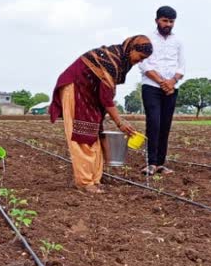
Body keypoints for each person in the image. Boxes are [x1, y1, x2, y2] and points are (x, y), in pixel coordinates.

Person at [49, 36, 153, 193]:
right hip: (76, 87)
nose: (140, 61)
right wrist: (120, 122)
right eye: (140, 57)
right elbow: (106, 97)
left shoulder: (120, 60)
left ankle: (94, 179)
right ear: (132, 49)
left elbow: (107, 93)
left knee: (93, 133)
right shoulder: (112, 60)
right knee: (81, 134)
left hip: (89, 91)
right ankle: (84, 182)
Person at [139, 6, 185, 176]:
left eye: (171, 21)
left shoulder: (178, 42)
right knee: (154, 124)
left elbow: (182, 66)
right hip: (151, 87)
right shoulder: (146, 39)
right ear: (157, 20)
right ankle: (150, 163)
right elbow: (144, 64)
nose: (168, 24)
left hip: (171, 89)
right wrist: (161, 81)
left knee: (165, 125)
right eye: (164, 20)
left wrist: (172, 82)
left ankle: (160, 164)